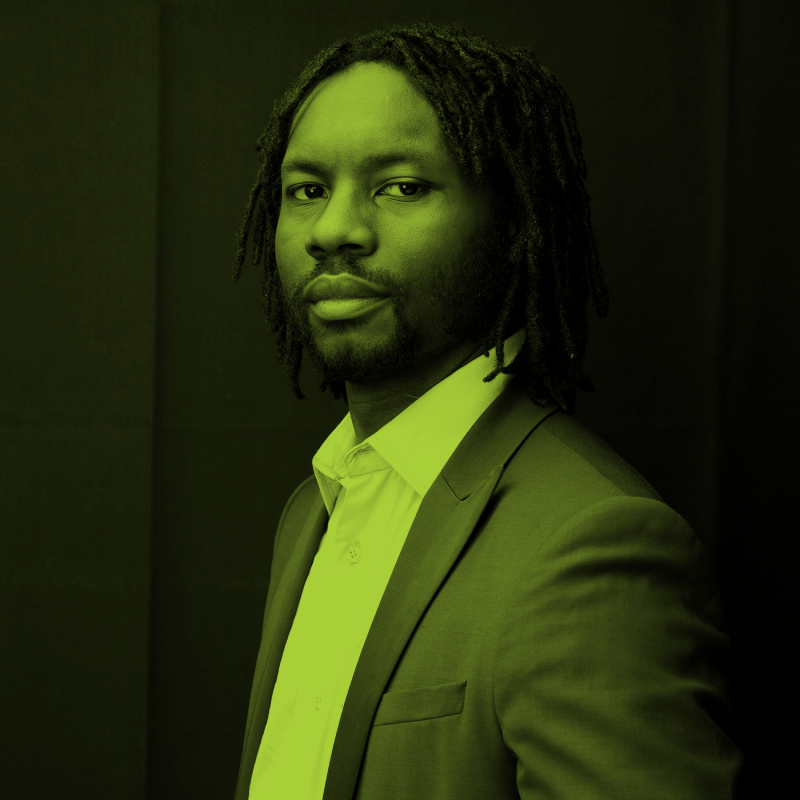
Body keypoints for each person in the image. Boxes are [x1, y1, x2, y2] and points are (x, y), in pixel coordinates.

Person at [230, 20, 742, 800]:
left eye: (402, 186)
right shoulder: (314, 510)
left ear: (512, 225)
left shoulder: (589, 545)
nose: (333, 229)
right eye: (308, 190)